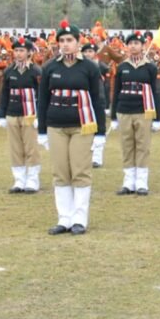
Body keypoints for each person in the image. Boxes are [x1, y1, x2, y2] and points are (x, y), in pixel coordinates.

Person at [37, 20, 107, 235]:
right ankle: (64, 219)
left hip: (82, 126)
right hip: (55, 125)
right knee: (60, 172)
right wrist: (41, 130)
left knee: (80, 171)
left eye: (70, 40)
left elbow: (98, 100)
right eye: (62, 41)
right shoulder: (50, 66)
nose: (65, 44)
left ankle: (79, 219)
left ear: (78, 43)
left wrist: (100, 132)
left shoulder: (89, 67)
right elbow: (43, 99)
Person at [111, 31, 160, 196]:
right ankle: (128, 182)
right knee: (127, 146)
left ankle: (141, 182)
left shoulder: (150, 67)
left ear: (142, 46)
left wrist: (157, 118)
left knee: (142, 146)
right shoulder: (122, 67)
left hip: (143, 111)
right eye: (130, 43)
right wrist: (113, 116)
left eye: (136, 43)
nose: (133, 46)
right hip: (124, 110)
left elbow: (155, 92)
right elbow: (116, 91)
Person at [0, 36, 42, 194]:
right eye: (16, 50)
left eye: (22, 50)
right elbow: (4, 94)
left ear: (29, 52)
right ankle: (19, 179)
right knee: (15, 148)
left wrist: (39, 116)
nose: (18, 53)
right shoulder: (9, 71)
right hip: (12, 113)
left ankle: (32, 179)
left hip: (30, 114)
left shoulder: (36, 71)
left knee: (31, 147)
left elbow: (41, 95)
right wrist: (2, 115)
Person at [82, 42, 111, 168]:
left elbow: (107, 84)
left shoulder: (101, 66)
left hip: (99, 99)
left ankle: (97, 157)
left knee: (99, 128)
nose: (88, 54)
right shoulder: (80, 65)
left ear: (95, 53)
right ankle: (86, 156)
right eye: (86, 51)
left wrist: (107, 103)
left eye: (90, 51)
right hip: (84, 100)